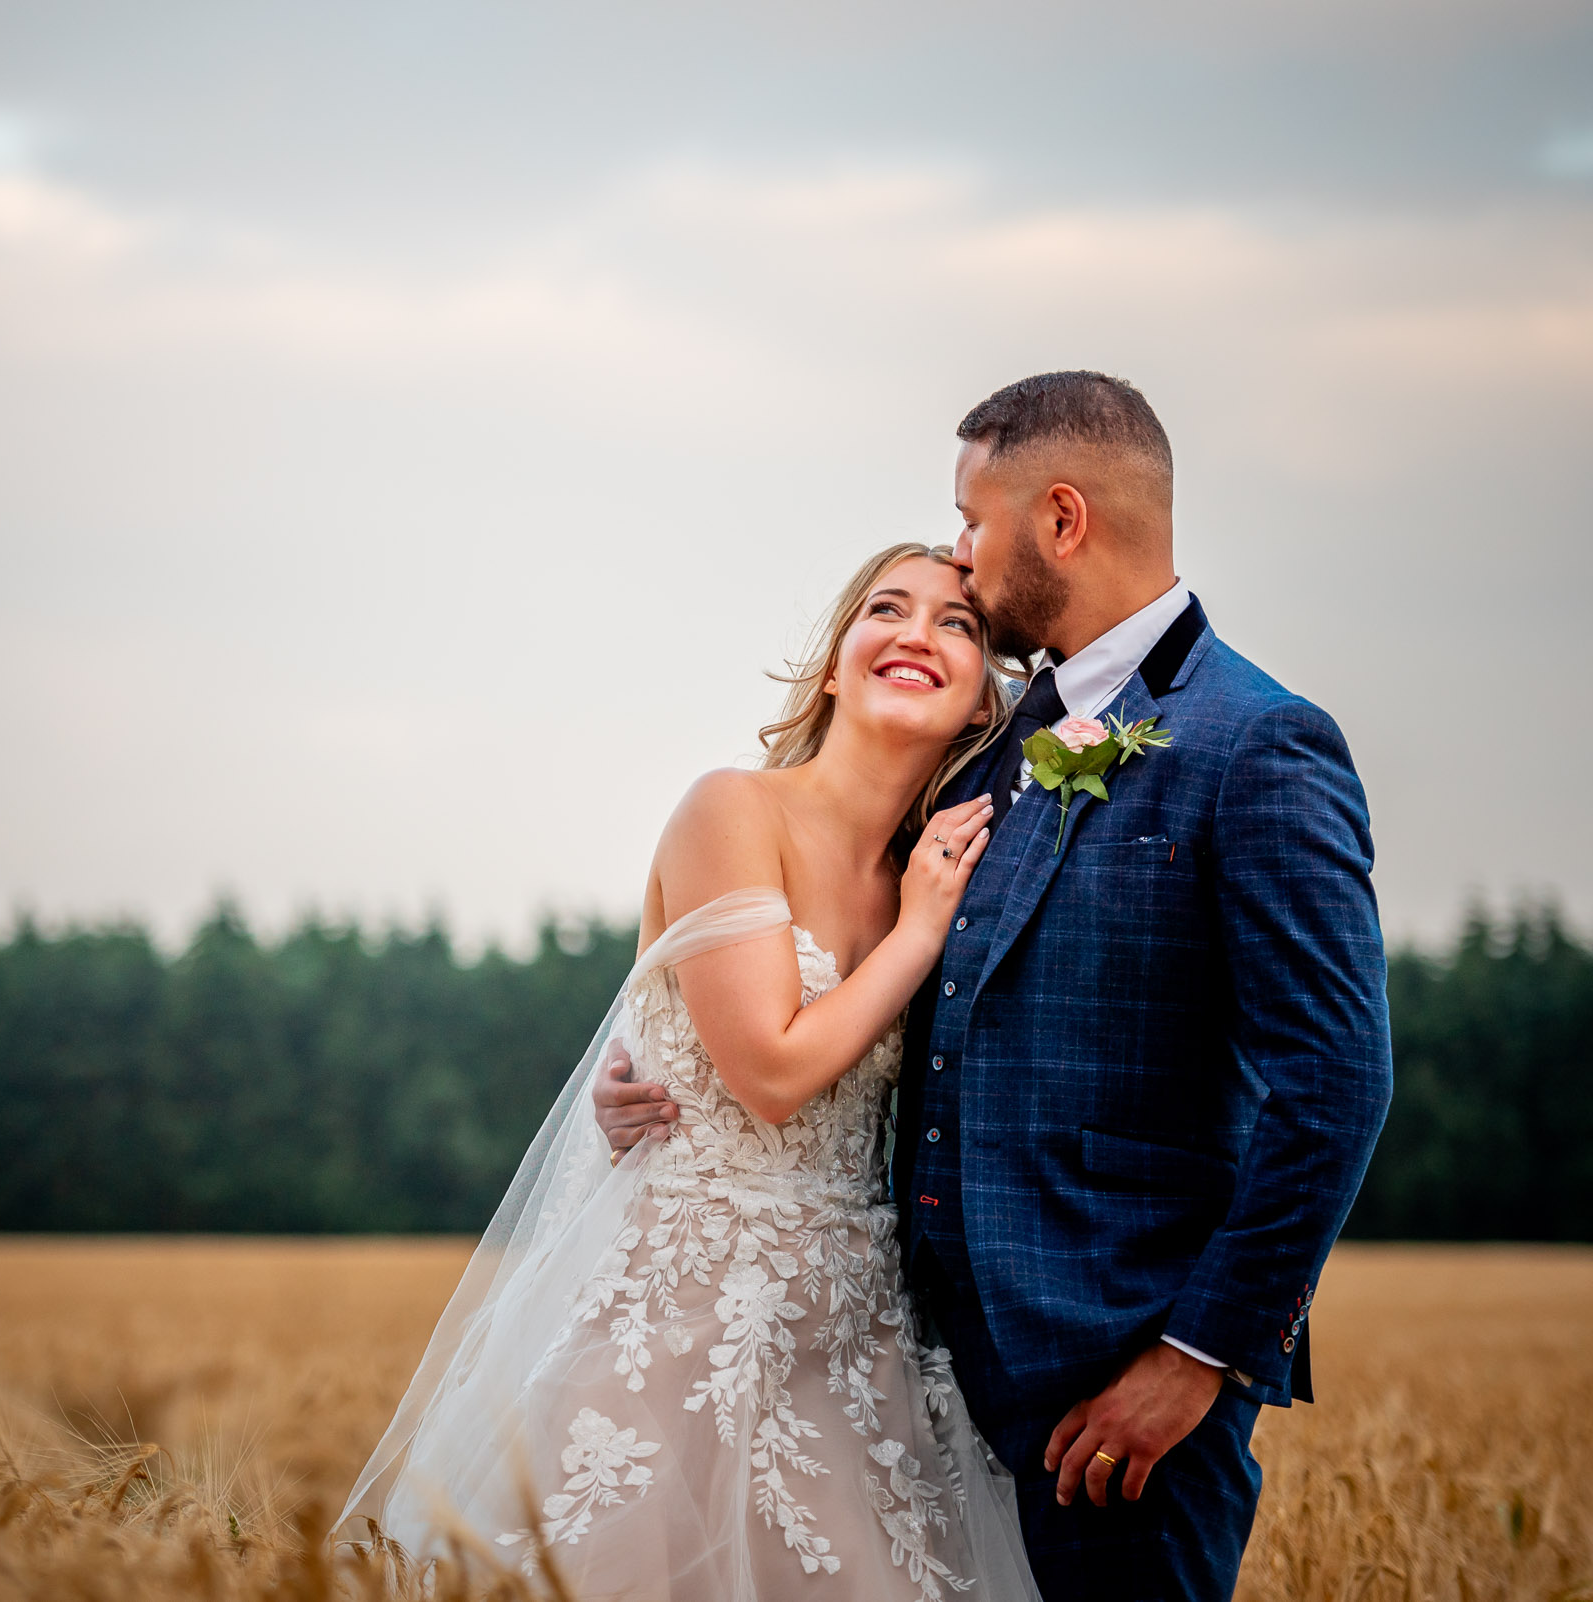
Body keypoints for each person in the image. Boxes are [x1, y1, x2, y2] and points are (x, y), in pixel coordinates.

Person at [593, 371, 1395, 1601]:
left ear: (1061, 518)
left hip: (1120, 1407)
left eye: (971, 522)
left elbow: (1334, 1083)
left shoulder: (1255, 742)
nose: (960, 557)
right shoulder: (983, 753)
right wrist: (663, 1069)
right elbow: (842, 976)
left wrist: (1200, 1358)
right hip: (917, 1386)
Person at [343, 541, 1046, 1600]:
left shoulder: (940, 869)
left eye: (958, 624)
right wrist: (916, 935)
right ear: (832, 665)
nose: (917, 633)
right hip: (679, 1332)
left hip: (858, 1341)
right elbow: (768, 1072)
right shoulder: (732, 812)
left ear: (985, 700)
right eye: (886, 609)